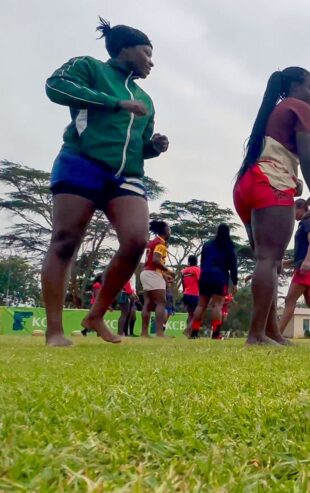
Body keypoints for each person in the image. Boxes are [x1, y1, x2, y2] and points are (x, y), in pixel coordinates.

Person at [42, 17, 169, 346]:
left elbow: (137, 148)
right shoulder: (89, 67)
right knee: (66, 240)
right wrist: (114, 103)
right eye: (146, 53)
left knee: (136, 241)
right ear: (125, 50)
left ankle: (95, 315)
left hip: (126, 176)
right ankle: (54, 330)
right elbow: (55, 87)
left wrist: (152, 147)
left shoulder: (146, 100)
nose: (151, 62)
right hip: (81, 162)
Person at [232, 67, 310, 345]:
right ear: (294, 86)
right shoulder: (298, 108)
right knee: (269, 260)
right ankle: (256, 334)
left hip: (249, 183)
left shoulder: (273, 109)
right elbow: (308, 155)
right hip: (270, 184)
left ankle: (270, 331)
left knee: (268, 262)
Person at [278, 199, 310, 342]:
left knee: (290, 300)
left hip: (307, 269)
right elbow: (302, 250)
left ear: (301, 208)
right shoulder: (304, 224)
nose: (292, 214)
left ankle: (277, 334)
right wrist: (288, 262)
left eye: (294, 210)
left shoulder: (309, 223)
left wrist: (307, 261)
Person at [188, 224, 238, 340]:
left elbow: (203, 261)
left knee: (201, 305)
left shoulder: (207, 244)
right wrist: (234, 282)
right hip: (220, 278)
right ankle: (216, 333)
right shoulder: (229, 246)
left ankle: (194, 332)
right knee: (217, 306)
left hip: (205, 276)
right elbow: (233, 266)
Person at [140, 220, 173, 337]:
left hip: (145, 272)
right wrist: (168, 271)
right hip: (153, 273)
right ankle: (159, 333)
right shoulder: (160, 243)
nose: (170, 232)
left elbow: (151, 261)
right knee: (161, 302)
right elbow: (155, 260)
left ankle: (144, 333)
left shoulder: (152, 242)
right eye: (169, 229)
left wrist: (164, 275)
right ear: (164, 231)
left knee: (148, 303)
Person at [181, 255, 201, 330]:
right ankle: (188, 330)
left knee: (190, 314)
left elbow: (183, 283)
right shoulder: (197, 270)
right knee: (197, 314)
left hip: (186, 294)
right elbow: (200, 281)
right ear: (196, 262)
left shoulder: (184, 271)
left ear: (188, 262)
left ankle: (192, 333)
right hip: (195, 294)